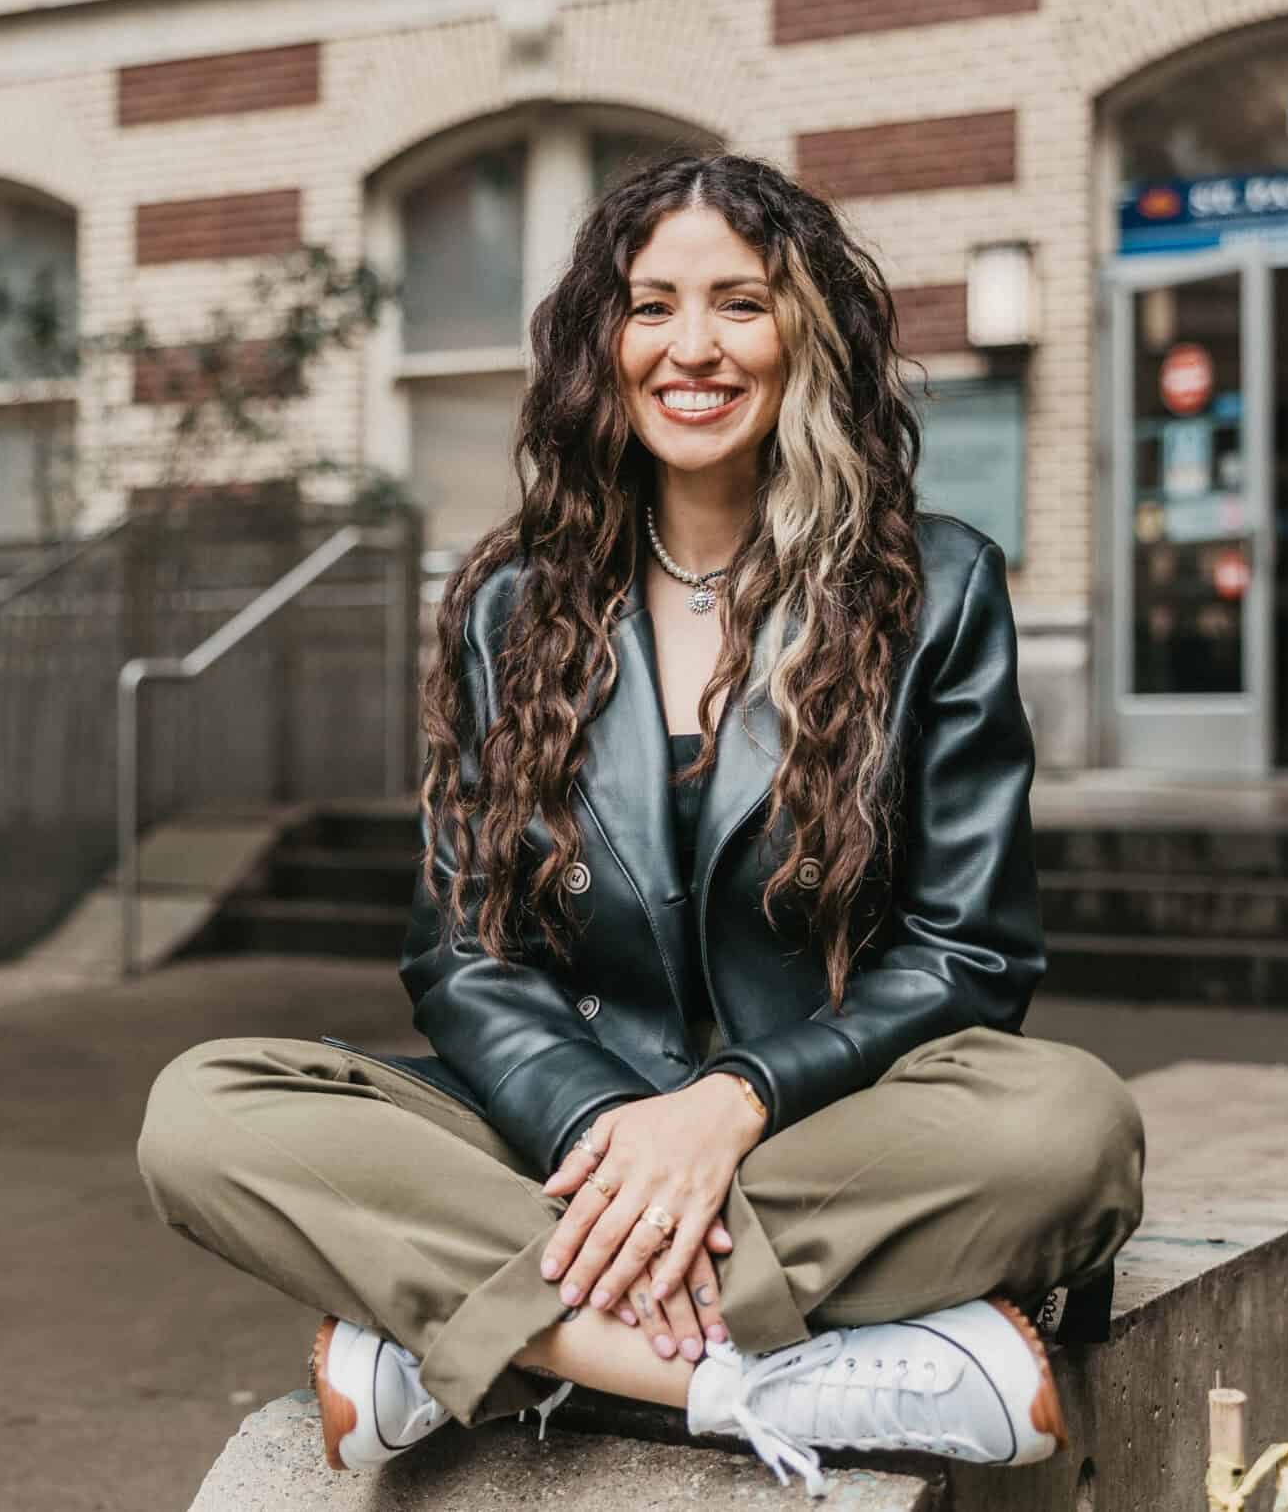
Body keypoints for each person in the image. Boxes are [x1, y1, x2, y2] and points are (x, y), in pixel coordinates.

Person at [137, 151, 1145, 1496]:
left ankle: (473, 1338)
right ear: (599, 345)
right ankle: (734, 1378)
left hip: (822, 1123)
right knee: (204, 1114)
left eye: (739, 303)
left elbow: (971, 959)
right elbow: (466, 962)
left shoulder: (934, 586)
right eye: (652, 305)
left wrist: (732, 1104)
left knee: (1070, 1127)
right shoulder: (514, 605)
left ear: (806, 333)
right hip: (564, 1129)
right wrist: (614, 1127)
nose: (694, 347)